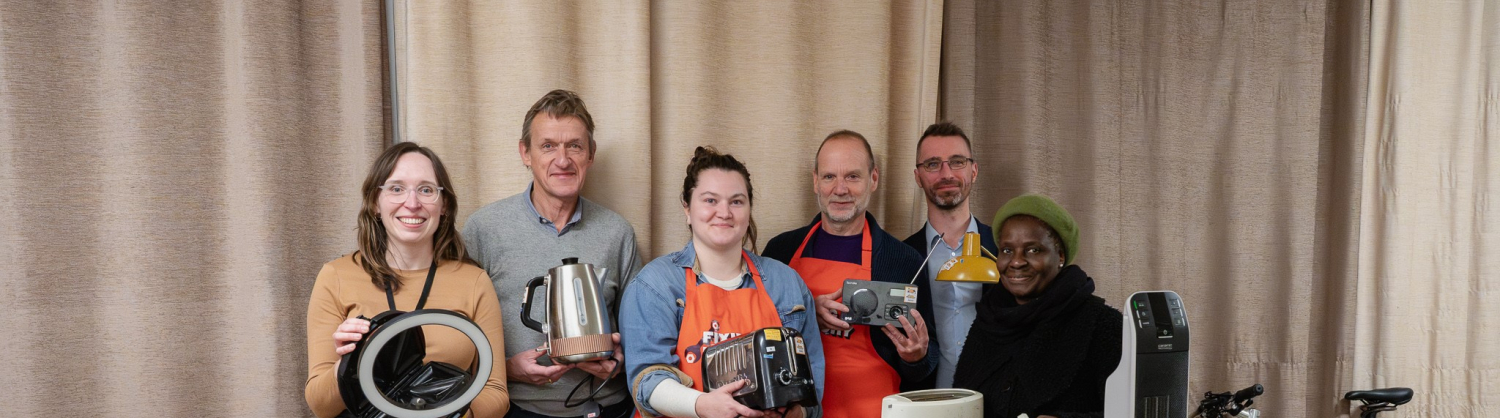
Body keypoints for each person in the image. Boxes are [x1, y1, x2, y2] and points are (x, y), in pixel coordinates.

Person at [463, 90, 641, 418]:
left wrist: (620, 360)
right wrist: (504, 370)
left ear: (590, 154)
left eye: (574, 145)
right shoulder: (483, 230)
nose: (563, 160)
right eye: (548, 146)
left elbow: (640, 333)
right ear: (525, 153)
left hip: (607, 408)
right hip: (520, 410)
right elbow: (456, 338)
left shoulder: (617, 233)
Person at [305, 142, 509, 417]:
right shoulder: (336, 276)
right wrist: (347, 362)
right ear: (375, 203)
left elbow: (495, 391)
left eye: (426, 190)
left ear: (444, 204)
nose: (412, 204)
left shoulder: (474, 281)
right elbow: (321, 406)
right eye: (396, 188)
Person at [620, 146, 825, 418]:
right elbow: (646, 382)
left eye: (736, 201)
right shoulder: (655, 285)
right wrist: (701, 405)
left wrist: (794, 414)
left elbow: (811, 388)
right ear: (687, 209)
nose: (724, 212)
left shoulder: (786, 283)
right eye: (710, 200)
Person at [763, 130, 935, 418]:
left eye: (852, 177)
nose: (840, 189)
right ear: (815, 181)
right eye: (830, 177)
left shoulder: (904, 261)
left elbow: (927, 364)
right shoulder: (780, 251)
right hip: (794, 411)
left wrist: (916, 357)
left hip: (876, 410)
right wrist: (804, 314)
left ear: (874, 179)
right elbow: (755, 332)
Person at [953, 194, 1122, 418]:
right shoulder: (989, 319)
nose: (1016, 262)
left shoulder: (1102, 324)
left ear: (1060, 256)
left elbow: (1135, 411)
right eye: (1007, 250)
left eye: (1033, 250)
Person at [901, 122, 998, 389]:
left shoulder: (1005, 251)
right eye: (932, 164)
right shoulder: (901, 258)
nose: (946, 173)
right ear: (917, 176)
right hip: (927, 402)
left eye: (957, 162)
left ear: (973, 170)